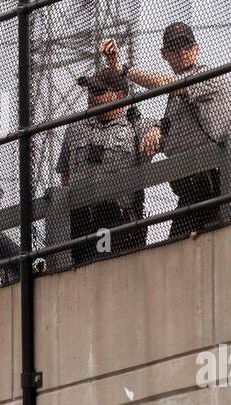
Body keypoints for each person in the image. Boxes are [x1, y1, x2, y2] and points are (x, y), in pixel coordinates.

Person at [101, 22, 231, 240]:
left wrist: (123, 69)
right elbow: (177, 133)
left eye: (187, 45)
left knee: (202, 250)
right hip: (190, 192)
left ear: (196, 48)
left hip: (214, 186)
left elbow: (169, 83)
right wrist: (158, 132)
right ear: (164, 54)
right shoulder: (176, 98)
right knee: (178, 251)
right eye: (174, 47)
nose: (182, 51)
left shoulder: (210, 77)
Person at [55, 67, 156, 268]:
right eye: (91, 90)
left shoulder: (134, 127)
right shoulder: (75, 127)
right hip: (80, 220)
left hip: (116, 218)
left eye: (99, 92)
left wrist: (156, 131)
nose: (91, 96)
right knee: (76, 273)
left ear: (119, 95)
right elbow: (65, 174)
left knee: (106, 271)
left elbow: (160, 130)